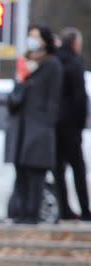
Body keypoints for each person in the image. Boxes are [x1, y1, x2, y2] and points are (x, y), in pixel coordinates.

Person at [5, 26, 63, 224]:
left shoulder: (52, 66)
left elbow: (53, 102)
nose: (32, 40)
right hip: (21, 130)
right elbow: (13, 102)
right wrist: (21, 80)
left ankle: (32, 214)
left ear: (45, 41)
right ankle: (20, 213)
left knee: (36, 176)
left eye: (36, 37)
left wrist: (46, 124)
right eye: (30, 36)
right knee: (21, 174)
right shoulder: (24, 66)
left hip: (39, 131)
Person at [54, 27, 90, 220]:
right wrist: (81, 123)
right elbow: (80, 97)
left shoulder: (54, 61)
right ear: (75, 44)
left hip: (54, 125)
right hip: (71, 126)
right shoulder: (75, 64)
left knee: (58, 170)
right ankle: (85, 210)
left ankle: (64, 209)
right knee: (78, 169)